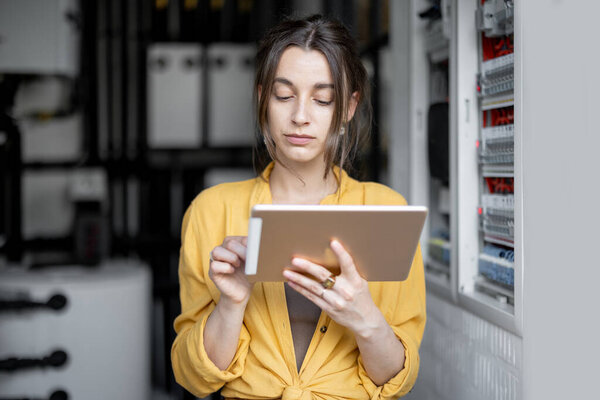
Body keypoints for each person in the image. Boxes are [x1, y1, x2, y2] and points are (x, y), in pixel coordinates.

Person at [171, 15, 426, 400]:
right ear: (262, 99)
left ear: (348, 107)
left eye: (323, 99)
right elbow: (193, 378)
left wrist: (366, 320)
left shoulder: (386, 210)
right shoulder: (210, 211)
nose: (300, 116)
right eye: (284, 95)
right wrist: (231, 302)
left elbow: (396, 380)